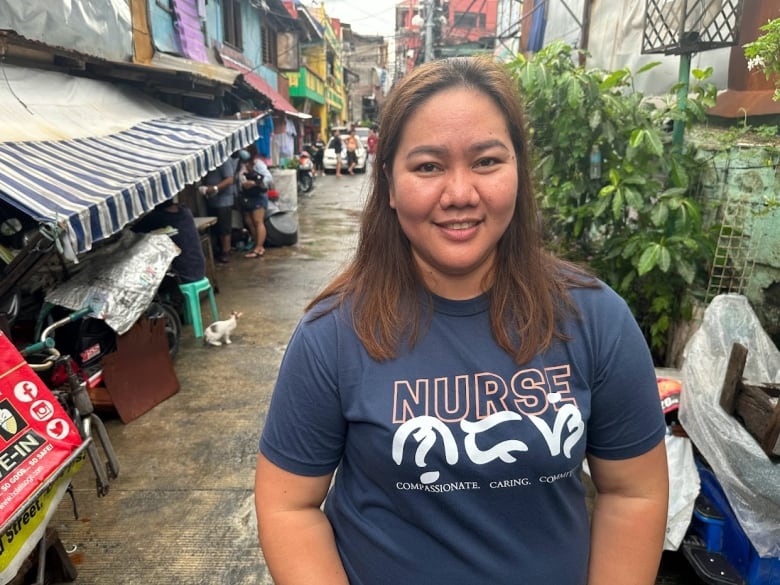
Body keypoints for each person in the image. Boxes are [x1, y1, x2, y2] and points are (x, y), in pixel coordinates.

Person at [254, 56, 669, 585]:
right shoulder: (331, 333)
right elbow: (289, 507)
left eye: (487, 161)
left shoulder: (594, 318)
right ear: (389, 184)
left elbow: (633, 491)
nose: (459, 195)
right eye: (428, 166)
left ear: (519, 168)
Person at [132, 198, 205, 283]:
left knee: (146, 277)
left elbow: (134, 231)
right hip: (199, 268)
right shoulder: (186, 211)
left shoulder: (157, 217)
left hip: (182, 275)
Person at [201, 154, 239, 263]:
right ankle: (218, 250)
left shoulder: (224, 159)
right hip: (212, 199)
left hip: (224, 200)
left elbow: (230, 179)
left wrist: (214, 188)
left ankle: (226, 252)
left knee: (224, 228)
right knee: (215, 228)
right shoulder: (210, 161)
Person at [237, 149, 270, 258]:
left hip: (258, 196)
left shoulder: (258, 164)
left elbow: (268, 178)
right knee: (250, 222)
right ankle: (257, 245)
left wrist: (255, 183)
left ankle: (259, 247)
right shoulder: (240, 164)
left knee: (258, 221)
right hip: (246, 197)